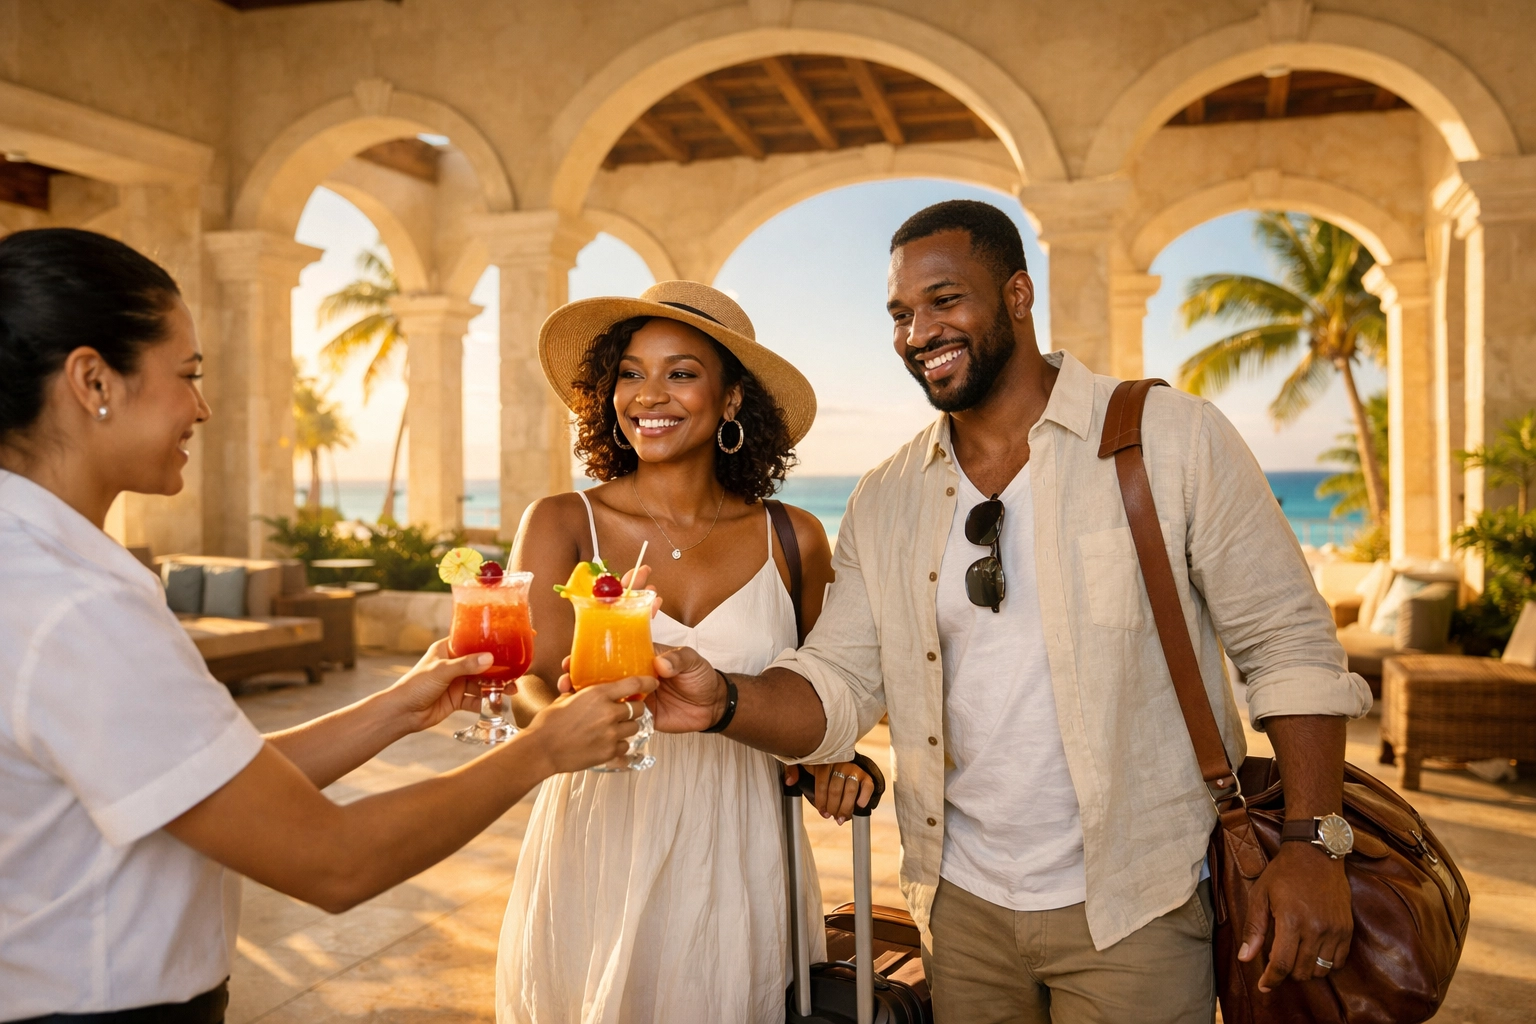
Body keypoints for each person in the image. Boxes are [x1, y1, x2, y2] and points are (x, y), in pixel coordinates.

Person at [646, 201, 1374, 1023]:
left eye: (945, 300)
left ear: (1019, 295)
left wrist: (1316, 842)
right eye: (900, 313)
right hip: (961, 912)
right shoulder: (887, 496)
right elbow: (840, 680)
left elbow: (1289, 644)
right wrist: (726, 700)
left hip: (1139, 902)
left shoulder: (1169, 438)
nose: (920, 331)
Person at [0, 228, 650, 1023]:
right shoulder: (78, 605)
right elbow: (334, 861)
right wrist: (541, 749)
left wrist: (395, 708)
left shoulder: (32, 567)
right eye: (188, 375)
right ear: (93, 379)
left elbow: (206, 781)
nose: (201, 406)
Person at [494, 281, 872, 1024]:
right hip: (602, 835)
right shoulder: (565, 520)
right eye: (630, 372)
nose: (648, 394)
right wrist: (566, 720)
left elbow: (824, 689)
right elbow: (526, 682)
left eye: (681, 372)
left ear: (732, 399)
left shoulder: (793, 536)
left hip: (745, 843)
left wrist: (836, 759)